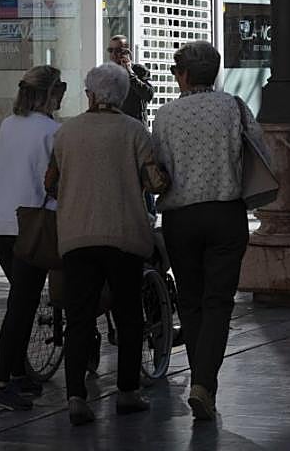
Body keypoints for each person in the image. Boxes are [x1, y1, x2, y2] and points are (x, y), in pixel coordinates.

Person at [46, 62, 160, 426]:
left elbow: (50, 182)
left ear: (91, 95)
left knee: (79, 319)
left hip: (78, 237)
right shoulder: (134, 131)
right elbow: (156, 181)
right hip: (125, 236)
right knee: (129, 317)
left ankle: (77, 397)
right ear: (123, 95)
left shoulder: (66, 133)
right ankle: (127, 392)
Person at [152, 41, 255, 422]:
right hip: (226, 213)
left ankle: (202, 381)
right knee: (218, 302)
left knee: (190, 301)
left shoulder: (165, 115)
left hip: (181, 218)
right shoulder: (233, 106)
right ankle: (203, 384)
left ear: (182, 75)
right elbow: (257, 149)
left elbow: (158, 165)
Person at [0, 67, 67, 411]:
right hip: (31, 223)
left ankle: (18, 373)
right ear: (49, 94)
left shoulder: (8, 124)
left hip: (0, 222)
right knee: (21, 304)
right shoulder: (54, 131)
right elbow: (55, 180)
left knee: (23, 299)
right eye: (59, 90)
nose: (61, 97)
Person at [107, 35, 155, 123]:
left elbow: (149, 95)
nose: (113, 54)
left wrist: (130, 73)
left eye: (118, 50)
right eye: (110, 50)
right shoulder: (108, 74)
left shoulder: (139, 70)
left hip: (136, 128)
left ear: (127, 52)